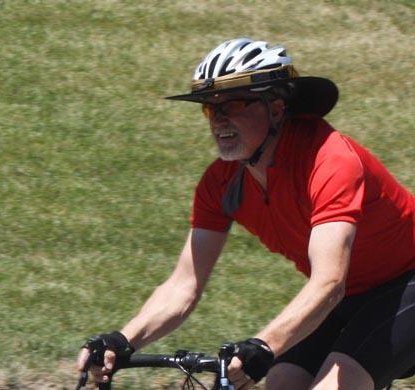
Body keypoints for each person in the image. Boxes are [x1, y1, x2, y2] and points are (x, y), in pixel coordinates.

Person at [77, 38, 415, 390]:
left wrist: (264, 345)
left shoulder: (330, 161)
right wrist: (122, 339)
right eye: (210, 107)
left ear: (277, 109)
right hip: (347, 298)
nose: (219, 119)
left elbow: (329, 282)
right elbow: (184, 284)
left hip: (406, 284)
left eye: (234, 104)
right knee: (283, 381)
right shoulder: (220, 184)